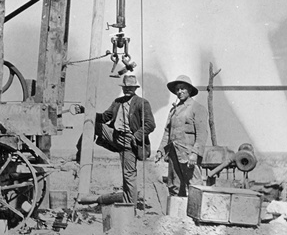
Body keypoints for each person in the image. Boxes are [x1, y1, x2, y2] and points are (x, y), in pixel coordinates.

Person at [77, 75, 156, 206]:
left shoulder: (142, 103)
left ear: (135, 88)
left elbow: (150, 124)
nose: (128, 90)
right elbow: (104, 117)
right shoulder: (117, 102)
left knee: (129, 175)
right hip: (114, 135)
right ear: (123, 88)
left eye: (131, 87)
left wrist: (135, 136)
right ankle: (79, 156)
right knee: (93, 125)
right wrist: (86, 111)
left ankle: (130, 207)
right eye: (126, 87)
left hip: (129, 142)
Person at [156, 75, 209, 197]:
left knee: (194, 186)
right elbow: (167, 132)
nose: (179, 92)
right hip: (174, 153)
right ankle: (177, 215)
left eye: (183, 88)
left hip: (189, 154)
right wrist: (160, 150)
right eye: (177, 89)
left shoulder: (197, 108)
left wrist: (195, 153)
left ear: (189, 90)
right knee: (174, 185)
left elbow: (202, 134)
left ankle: (195, 215)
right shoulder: (173, 110)